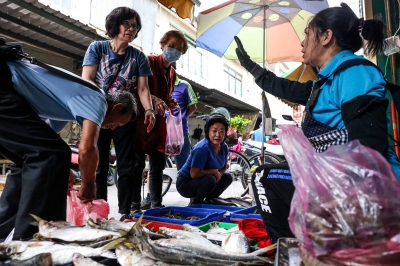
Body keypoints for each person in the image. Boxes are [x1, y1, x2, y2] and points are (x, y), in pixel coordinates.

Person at [235, 3, 400, 242]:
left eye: (307, 34)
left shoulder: (354, 73)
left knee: (263, 177)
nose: (302, 43)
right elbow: (287, 88)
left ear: (326, 37)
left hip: (373, 192)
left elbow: (369, 147)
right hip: (345, 184)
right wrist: (251, 67)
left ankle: (294, 253)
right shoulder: (327, 81)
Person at [0, 57, 136, 240]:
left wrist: (61, 171)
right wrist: (89, 184)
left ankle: (3, 233)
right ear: (117, 106)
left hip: (6, 88)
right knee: (51, 155)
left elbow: (44, 135)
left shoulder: (67, 104)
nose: (112, 128)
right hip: (4, 84)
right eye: (117, 123)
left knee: (29, 160)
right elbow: (87, 148)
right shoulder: (97, 99)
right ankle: (30, 243)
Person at [81, 7, 155, 221]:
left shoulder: (138, 56)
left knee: (127, 165)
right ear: (115, 25)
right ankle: (99, 211)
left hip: (124, 116)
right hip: (99, 115)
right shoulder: (97, 48)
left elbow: (142, 89)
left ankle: (125, 211)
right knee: (98, 164)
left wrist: (148, 109)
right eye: (127, 24)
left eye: (135, 26)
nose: (131, 29)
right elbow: (87, 81)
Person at [132, 30, 188, 212]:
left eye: (179, 49)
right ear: (163, 45)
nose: (174, 51)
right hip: (141, 122)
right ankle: (133, 204)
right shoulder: (147, 61)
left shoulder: (171, 72)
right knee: (137, 164)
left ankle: (156, 203)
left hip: (160, 126)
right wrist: (154, 99)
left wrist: (169, 100)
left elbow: (166, 94)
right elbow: (135, 87)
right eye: (172, 46)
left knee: (157, 166)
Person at [140, 75, 197, 209]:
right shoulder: (157, 84)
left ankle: (193, 197)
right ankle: (151, 197)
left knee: (186, 166)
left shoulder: (184, 85)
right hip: (160, 134)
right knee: (154, 167)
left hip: (180, 134)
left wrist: (178, 120)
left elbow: (192, 106)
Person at [176, 109, 233, 205]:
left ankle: (209, 200)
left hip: (205, 179)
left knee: (228, 178)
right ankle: (196, 203)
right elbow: (194, 173)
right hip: (185, 183)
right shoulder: (202, 148)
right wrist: (213, 172)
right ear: (208, 131)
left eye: (222, 131)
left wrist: (218, 174)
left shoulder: (224, 147)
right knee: (210, 179)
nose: (218, 135)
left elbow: (224, 167)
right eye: (214, 131)